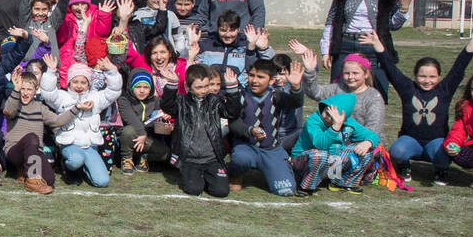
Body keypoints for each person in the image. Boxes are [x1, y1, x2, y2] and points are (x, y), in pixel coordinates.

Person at [361, 30, 473, 185]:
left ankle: (441, 170)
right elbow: (390, 69)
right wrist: (377, 45)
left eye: (432, 77)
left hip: (436, 141)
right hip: (411, 140)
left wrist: (472, 44)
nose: (427, 81)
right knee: (397, 151)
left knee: (444, 154)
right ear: (415, 76)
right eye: (422, 76)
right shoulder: (407, 88)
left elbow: (459, 67)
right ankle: (403, 166)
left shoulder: (444, 90)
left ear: (439, 78)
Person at [319, 0, 412, 102]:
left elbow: (392, 25)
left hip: (374, 47)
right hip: (345, 45)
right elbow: (332, 19)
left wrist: (403, 9)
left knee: (377, 97)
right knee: (337, 96)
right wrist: (326, 50)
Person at [38, 55, 123, 188]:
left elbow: (114, 91)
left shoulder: (95, 98)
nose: (79, 86)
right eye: (75, 82)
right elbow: (48, 92)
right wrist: (51, 72)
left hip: (90, 147)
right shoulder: (62, 97)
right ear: (69, 83)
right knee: (75, 160)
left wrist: (112, 72)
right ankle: (69, 168)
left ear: (89, 84)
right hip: (69, 145)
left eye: (83, 82)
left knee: (102, 182)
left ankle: (84, 170)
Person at [160, 63, 242, 198]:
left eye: (206, 86)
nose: (203, 90)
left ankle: (209, 175)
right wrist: (172, 84)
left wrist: (232, 90)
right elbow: (167, 106)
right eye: (198, 87)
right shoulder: (181, 102)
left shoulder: (214, 101)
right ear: (188, 86)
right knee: (194, 189)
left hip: (212, 158)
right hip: (190, 158)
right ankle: (193, 175)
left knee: (221, 191)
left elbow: (232, 113)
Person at [227, 59, 305, 196]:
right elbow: (234, 124)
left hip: (271, 149)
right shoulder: (240, 96)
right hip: (246, 146)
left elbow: (295, 102)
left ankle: (275, 168)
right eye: (251, 75)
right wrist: (250, 130)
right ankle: (235, 173)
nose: (254, 80)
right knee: (240, 158)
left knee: (286, 190)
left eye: (260, 77)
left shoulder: (276, 96)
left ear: (272, 80)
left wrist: (296, 87)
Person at [293, 40, 385, 142]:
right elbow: (315, 93)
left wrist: (363, 144)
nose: (350, 77)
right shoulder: (337, 89)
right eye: (346, 73)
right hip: (336, 143)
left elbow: (374, 128)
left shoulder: (373, 97)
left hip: (365, 144)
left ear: (366, 74)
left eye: (355, 73)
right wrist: (310, 71)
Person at [290, 93, 380, 195]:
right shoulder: (313, 121)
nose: (328, 117)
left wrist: (367, 142)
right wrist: (335, 126)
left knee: (366, 149)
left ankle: (342, 183)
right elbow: (321, 144)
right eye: (326, 112)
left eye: (333, 115)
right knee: (321, 154)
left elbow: (373, 136)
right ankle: (306, 187)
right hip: (303, 162)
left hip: (333, 163)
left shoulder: (349, 123)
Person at [3, 71, 73, 195]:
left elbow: (58, 121)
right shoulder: (14, 102)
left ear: (36, 89)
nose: (25, 93)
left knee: (49, 181)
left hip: (34, 152)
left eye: (29, 89)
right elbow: (8, 111)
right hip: (15, 151)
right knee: (32, 138)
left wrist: (77, 109)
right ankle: (32, 180)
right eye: (22, 89)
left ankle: (24, 171)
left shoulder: (40, 107)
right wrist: (16, 90)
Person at [117, 69, 172, 175]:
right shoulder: (124, 100)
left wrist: (163, 119)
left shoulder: (154, 101)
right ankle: (126, 159)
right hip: (129, 139)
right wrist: (142, 134)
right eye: (138, 87)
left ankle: (142, 157)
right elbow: (131, 119)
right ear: (132, 87)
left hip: (146, 139)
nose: (142, 91)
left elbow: (157, 128)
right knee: (129, 130)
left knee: (166, 154)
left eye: (145, 87)